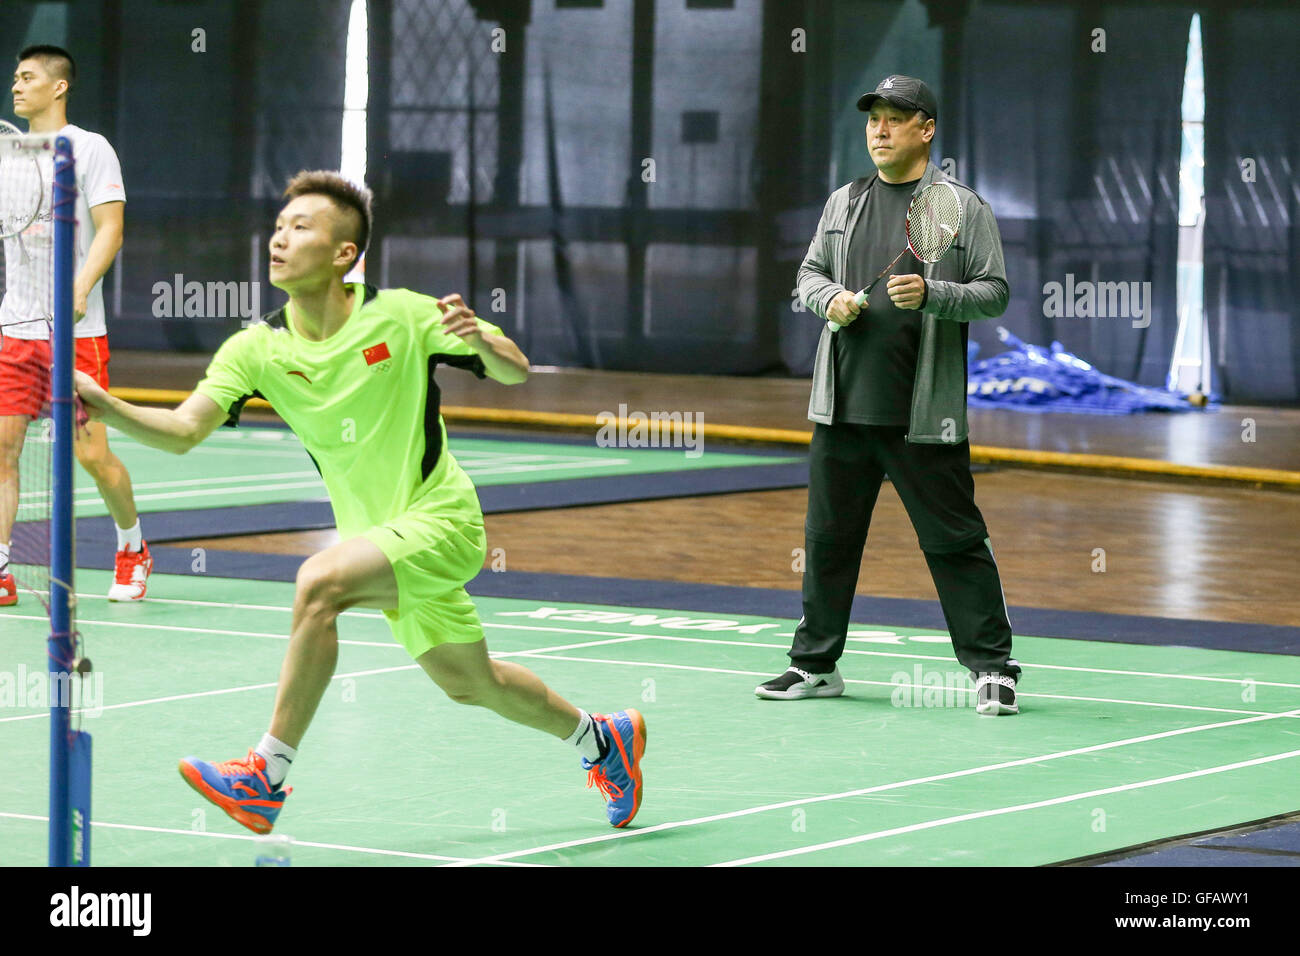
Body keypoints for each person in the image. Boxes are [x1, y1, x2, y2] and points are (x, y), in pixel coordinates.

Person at [73, 170, 646, 832]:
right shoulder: (257, 349)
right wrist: (106, 403)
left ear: (346, 253)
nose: (280, 239)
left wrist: (482, 339)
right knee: (473, 683)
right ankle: (602, 741)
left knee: (318, 581)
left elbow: (515, 369)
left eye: (301, 227)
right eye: (279, 227)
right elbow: (181, 432)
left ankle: (266, 775)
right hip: (380, 543)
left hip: (442, 524)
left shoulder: (403, 314)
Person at [756, 75, 1021, 715]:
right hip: (843, 406)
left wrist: (935, 294)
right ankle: (815, 664)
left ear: (925, 130)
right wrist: (830, 301)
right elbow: (809, 274)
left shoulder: (964, 209)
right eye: (874, 118)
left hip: (923, 414)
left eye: (896, 119)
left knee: (954, 541)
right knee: (828, 540)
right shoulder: (843, 202)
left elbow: (995, 292)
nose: (880, 129)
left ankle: (992, 668)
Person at [1, 44, 152, 607]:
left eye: (27, 77)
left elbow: (110, 228)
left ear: (58, 86)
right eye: (14, 78)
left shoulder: (91, 149)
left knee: (91, 455)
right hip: (16, 327)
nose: (16, 87)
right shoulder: (6, 155)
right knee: (4, 450)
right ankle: (0, 569)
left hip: (76, 333)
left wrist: (81, 287)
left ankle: (133, 549)